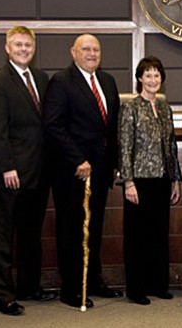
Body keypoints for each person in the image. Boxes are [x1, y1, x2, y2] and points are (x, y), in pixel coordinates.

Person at [43, 33, 123, 309]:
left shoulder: (108, 81)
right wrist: (77, 159)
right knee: (72, 229)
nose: (92, 53)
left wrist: (113, 162)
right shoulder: (62, 81)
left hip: (100, 172)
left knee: (95, 228)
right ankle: (72, 287)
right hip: (72, 171)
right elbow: (53, 125)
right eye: (86, 49)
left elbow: (110, 128)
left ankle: (93, 279)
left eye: (96, 49)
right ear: (73, 52)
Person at [0, 26, 56, 316]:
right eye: (18, 44)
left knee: (30, 235)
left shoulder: (40, 78)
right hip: (11, 174)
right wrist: (7, 167)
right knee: (3, 238)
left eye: (28, 45)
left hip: (38, 173)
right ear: (7, 48)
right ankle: (4, 295)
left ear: (34, 48)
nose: (23, 49)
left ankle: (29, 286)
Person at [118, 56, 182, 305]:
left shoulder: (165, 108)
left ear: (161, 79)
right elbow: (124, 146)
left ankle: (158, 284)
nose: (153, 79)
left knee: (158, 234)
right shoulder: (130, 107)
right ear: (140, 79)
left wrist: (175, 179)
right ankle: (136, 289)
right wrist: (128, 182)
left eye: (157, 75)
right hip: (139, 181)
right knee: (137, 237)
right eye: (148, 75)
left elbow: (171, 146)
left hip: (162, 180)